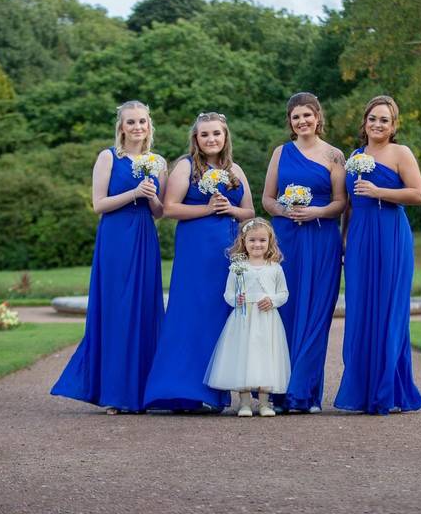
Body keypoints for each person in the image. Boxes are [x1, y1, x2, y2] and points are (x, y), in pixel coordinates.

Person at [50, 100, 166, 414]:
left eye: (142, 121)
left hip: (143, 236)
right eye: (131, 122)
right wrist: (134, 193)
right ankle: (115, 393)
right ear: (121, 127)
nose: (137, 127)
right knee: (117, 310)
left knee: (143, 308)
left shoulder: (158, 161)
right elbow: (98, 204)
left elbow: (160, 212)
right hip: (115, 238)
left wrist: (153, 197)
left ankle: (143, 392)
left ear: (149, 125)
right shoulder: (108, 157)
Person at [143, 112, 255, 412]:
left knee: (221, 315)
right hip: (196, 250)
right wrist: (207, 209)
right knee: (191, 313)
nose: (211, 139)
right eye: (205, 135)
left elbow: (250, 212)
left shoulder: (235, 169)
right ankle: (182, 389)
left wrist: (230, 208)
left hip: (229, 251)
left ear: (225, 136)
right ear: (196, 138)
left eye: (216, 134)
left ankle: (215, 393)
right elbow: (169, 208)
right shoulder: (185, 166)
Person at [334, 95, 421, 415]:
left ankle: (390, 389)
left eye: (384, 120)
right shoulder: (355, 156)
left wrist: (379, 192)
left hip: (390, 236)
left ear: (393, 125)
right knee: (361, 308)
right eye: (372, 118)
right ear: (365, 122)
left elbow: (418, 194)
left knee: (389, 308)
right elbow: (347, 203)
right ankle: (362, 390)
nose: (377, 124)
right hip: (359, 238)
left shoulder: (401, 153)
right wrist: (344, 240)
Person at [262, 92, 346, 413]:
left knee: (316, 313)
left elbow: (341, 202)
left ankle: (305, 393)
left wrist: (315, 212)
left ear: (318, 117)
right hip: (287, 240)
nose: (302, 121)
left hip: (322, 238)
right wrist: (286, 210)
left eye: (307, 115)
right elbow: (268, 199)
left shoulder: (335, 156)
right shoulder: (280, 153)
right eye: (296, 117)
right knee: (286, 310)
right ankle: (282, 391)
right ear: (290, 121)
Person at [205, 218, 290, 417]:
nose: (257, 244)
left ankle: (264, 403)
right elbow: (228, 293)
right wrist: (237, 299)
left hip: (267, 319)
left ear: (270, 242)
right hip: (243, 320)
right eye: (252, 240)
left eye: (262, 240)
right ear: (244, 241)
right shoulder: (238, 267)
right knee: (243, 356)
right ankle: (244, 403)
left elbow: (284, 293)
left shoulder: (275, 267)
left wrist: (273, 300)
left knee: (265, 357)